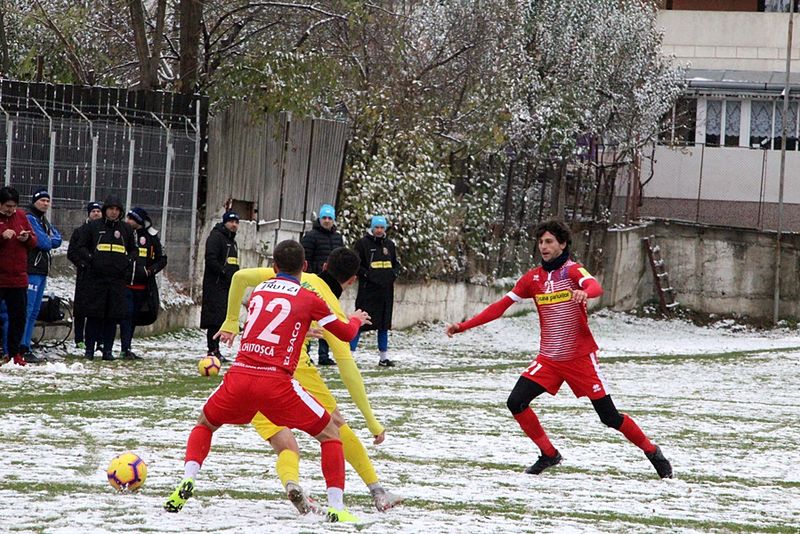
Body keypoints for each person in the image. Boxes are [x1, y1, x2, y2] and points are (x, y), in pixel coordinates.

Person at [446, 220, 673, 479]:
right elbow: (500, 306)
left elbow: (594, 286)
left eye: (549, 241)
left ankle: (652, 451)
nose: (543, 246)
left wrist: (585, 293)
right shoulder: (533, 278)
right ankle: (549, 454)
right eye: (541, 242)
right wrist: (463, 326)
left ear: (562, 244)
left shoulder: (572, 271)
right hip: (549, 360)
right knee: (516, 402)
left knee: (609, 417)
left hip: (580, 358)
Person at [164, 240, 370, 523]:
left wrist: (299, 329)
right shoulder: (309, 298)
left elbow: (269, 324)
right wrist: (355, 319)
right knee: (331, 434)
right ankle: (337, 508)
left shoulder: (260, 290)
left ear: (274, 266)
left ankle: (188, 478)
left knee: (205, 424)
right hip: (276, 382)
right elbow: (345, 333)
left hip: (239, 375)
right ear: (305, 266)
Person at [219, 247, 402, 514]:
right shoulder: (328, 305)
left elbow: (239, 278)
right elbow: (347, 367)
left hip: (250, 368)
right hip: (293, 368)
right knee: (335, 427)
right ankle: (377, 491)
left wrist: (230, 321)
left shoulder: (292, 276)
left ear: (323, 266)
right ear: (352, 280)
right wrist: (371, 421)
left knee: (284, 443)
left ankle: (292, 483)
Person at [71, 195, 137, 361]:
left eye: (117, 210)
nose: (114, 212)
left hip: (117, 279)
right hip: (96, 279)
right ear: (105, 210)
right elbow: (81, 247)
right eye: (111, 209)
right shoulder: (93, 227)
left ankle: (107, 350)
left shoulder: (126, 229)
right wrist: (91, 260)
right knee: (94, 316)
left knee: (112, 317)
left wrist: (127, 261)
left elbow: (133, 250)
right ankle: (89, 350)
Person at [119, 207, 167, 360]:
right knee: (126, 315)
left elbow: (162, 259)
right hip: (125, 284)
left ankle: (127, 347)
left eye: (131, 218)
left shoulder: (151, 237)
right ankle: (124, 348)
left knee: (133, 317)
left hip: (142, 286)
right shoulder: (123, 233)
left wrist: (149, 271)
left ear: (139, 221)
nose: (128, 221)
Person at [351, 215, 399, 367]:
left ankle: (383, 358)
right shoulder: (362, 244)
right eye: (376, 227)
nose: (379, 230)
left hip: (386, 292)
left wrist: (393, 274)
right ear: (372, 228)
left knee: (384, 325)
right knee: (359, 323)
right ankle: (349, 356)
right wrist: (368, 275)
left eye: (382, 227)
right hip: (368, 291)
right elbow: (357, 265)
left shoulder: (390, 245)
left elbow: (395, 264)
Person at [20, 188, 62, 363]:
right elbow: (43, 242)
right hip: (32, 269)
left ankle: (26, 345)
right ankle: (21, 346)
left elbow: (58, 239)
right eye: (42, 200)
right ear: (34, 201)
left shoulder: (43, 220)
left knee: (35, 311)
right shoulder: (30, 218)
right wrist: (48, 239)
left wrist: (49, 239)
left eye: (47, 200)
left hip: (42, 270)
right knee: (27, 309)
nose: (45, 203)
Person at [301, 203, 344, 366]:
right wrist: (313, 274)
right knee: (309, 318)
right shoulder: (310, 236)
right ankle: (305, 352)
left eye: (329, 218)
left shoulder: (338, 238)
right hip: (313, 283)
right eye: (324, 218)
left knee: (329, 318)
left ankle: (324, 355)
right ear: (319, 219)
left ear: (333, 220)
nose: (327, 221)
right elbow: (304, 259)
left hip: (332, 283)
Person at [0, 186, 38, 366]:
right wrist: (2, 236)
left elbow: (34, 240)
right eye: (8, 206)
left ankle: (14, 353)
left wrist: (27, 238)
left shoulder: (22, 216)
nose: (11, 210)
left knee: (18, 317)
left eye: (14, 206)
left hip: (18, 278)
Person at [200, 211, 239, 363]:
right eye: (231, 222)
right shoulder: (216, 237)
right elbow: (211, 259)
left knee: (221, 317)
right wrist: (223, 273)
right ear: (225, 222)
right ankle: (212, 350)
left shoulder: (232, 240)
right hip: (215, 285)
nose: (234, 225)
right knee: (214, 319)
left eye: (236, 222)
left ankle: (216, 349)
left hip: (228, 286)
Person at [67, 201, 103, 352]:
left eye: (98, 211)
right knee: (81, 307)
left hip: (100, 274)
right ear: (88, 214)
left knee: (99, 308)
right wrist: (82, 264)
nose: (96, 213)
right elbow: (72, 252)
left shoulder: (104, 231)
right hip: (85, 274)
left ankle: (98, 339)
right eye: (93, 211)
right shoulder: (79, 231)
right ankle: (79, 339)